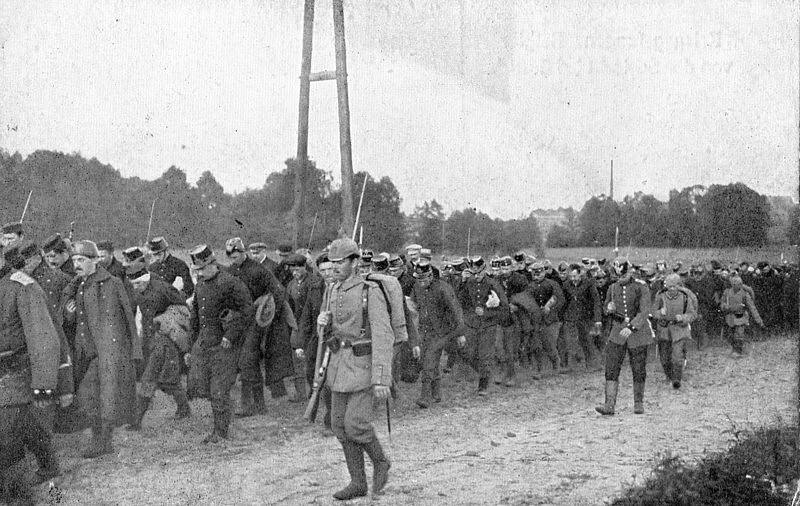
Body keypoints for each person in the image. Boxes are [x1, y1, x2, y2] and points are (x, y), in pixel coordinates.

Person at [317, 238, 394, 500]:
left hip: (364, 367)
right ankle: (358, 482)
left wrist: (381, 378)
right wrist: (322, 323)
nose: (335, 267)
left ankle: (381, 461)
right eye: (332, 263)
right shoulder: (332, 290)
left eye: (341, 262)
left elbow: (383, 335)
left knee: (356, 424)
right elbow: (328, 332)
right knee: (339, 425)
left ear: (355, 262)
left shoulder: (369, 291)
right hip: (339, 366)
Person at [64, 240, 141, 457]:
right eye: (74, 260)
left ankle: (103, 442)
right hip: (86, 353)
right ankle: (101, 441)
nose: (76, 264)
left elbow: (127, 317)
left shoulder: (112, 283)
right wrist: (69, 314)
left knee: (102, 398)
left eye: (81, 260)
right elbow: (74, 319)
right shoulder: (79, 285)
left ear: (95, 260)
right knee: (92, 399)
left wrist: (132, 351)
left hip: (107, 353)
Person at [0, 245, 64, 483]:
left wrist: (43, 387)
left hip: (17, 373)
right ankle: (48, 467)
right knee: (28, 425)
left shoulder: (22, 287)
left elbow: (43, 338)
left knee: (8, 432)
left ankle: (18, 487)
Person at [186, 244, 253, 442]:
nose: (199, 274)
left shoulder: (231, 283)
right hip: (205, 344)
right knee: (203, 387)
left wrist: (230, 335)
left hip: (225, 347)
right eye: (196, 270)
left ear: (212, 264)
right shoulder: (200, 285)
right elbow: (195, 319)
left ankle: (220, 432)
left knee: (219, 389)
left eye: (202, 269)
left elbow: (247, 311)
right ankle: (221, 424)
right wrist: (190, 346)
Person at [224, 237, 294, 413]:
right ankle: (259, 405)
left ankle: (247, 405)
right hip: (238, 322)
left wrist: (265, 309)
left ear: (243, 252)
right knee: (248, 362)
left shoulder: (259, 270)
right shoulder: (230, 271)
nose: (233, 260)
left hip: (256, 322)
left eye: (235, 256)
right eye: (230, 257)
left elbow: (278, 292)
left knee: (247, 360)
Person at [124, 260, 190, 430]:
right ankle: (184, 407)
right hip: (150, 339)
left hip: (165, 339)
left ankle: (136, 421)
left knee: (149, 377)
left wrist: (168, 320)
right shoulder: (137, 291)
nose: (136, 287)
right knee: (167, 379)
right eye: (133, 284)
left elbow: (184, 308)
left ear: (146, 279)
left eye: (138, 283)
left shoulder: (163, 288)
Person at [595, 259, 652, 416]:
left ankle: (638, 403)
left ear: (630, 272)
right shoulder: (612, 288)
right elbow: (606, 307)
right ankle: (609, 405)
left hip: (638, 333)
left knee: (638, 368)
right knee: (611, 367)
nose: (620, 279)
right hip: (618, 332)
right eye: (617, 276)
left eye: (623, 275)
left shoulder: (641, 286)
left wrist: (632, 327)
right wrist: (608, 308)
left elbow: (644, 311)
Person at [410, 261, 464, 407]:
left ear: (431, 276)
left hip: (441, 332)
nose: (421, 282)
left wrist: (460, 333)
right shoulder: (416, 287)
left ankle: (425, 397)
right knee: (427, 361)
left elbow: (455, 310)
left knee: (429, 361)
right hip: (424, 331)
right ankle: (437, 394)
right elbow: (413, 306)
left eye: (423, 278)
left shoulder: (443, 288)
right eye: (418, 278)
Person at [456, 256, 510, 396]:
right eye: (474, 273)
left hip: (488, 325)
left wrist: (486, 312)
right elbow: (458, 300)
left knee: (485, 355)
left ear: (484, 270)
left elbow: (504, 308)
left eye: (479, 273)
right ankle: (485, 373)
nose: (476, 276)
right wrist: (462, 281)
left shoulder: (493, 284)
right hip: (471, 324)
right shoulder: (468, 283)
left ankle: (483, 385)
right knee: (467, 352)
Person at [652, 273, 698, 389]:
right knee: (665, 358)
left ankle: (676, 379)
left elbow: (692, 314)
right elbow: (653, 312)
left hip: (679, 330)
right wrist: (660, 313)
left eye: (674, 286)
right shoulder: (660, 296)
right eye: (669, 286)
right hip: (664, 330)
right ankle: (669, 376)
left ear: (679, 286)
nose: (672, 289)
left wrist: (682, 317)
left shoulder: (685, 298)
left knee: (677, 357)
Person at [526, 261, 566, 375]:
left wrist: (551, 309)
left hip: (551, 320)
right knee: (536, 345)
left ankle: (556, 364)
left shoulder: (552, 284)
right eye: (534, 274)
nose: (536, 276)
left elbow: (561, 300)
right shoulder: (530, 286)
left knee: (550, 345)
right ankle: (539, 370)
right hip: (536, 320)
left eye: (538, 274)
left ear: (543, 272)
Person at [561, 265, 602, 371]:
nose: (573, 279)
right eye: (571, 276)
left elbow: (596, 302)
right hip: (571, 317)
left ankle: (593, 365)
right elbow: (564, 302)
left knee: (587, 341)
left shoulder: (589, 284)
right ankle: (570, 366)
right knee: (570, 342)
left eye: (575, 276)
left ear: (580, 274)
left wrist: (597, 319)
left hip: (585, 317)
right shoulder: (566, 285)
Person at [720, 275, 763, 356]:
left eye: (739, 284)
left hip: (740, 316)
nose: (738, 285)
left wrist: (758, 319)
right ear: (732, 284)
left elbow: (752, 307)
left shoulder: (744, 294)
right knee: (730, 335)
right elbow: (722, 303)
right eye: (735, 284)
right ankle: (735, 349)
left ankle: (738, 351)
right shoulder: (727, 292)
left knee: (739, 335)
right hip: (730, 317)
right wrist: (725, 307)